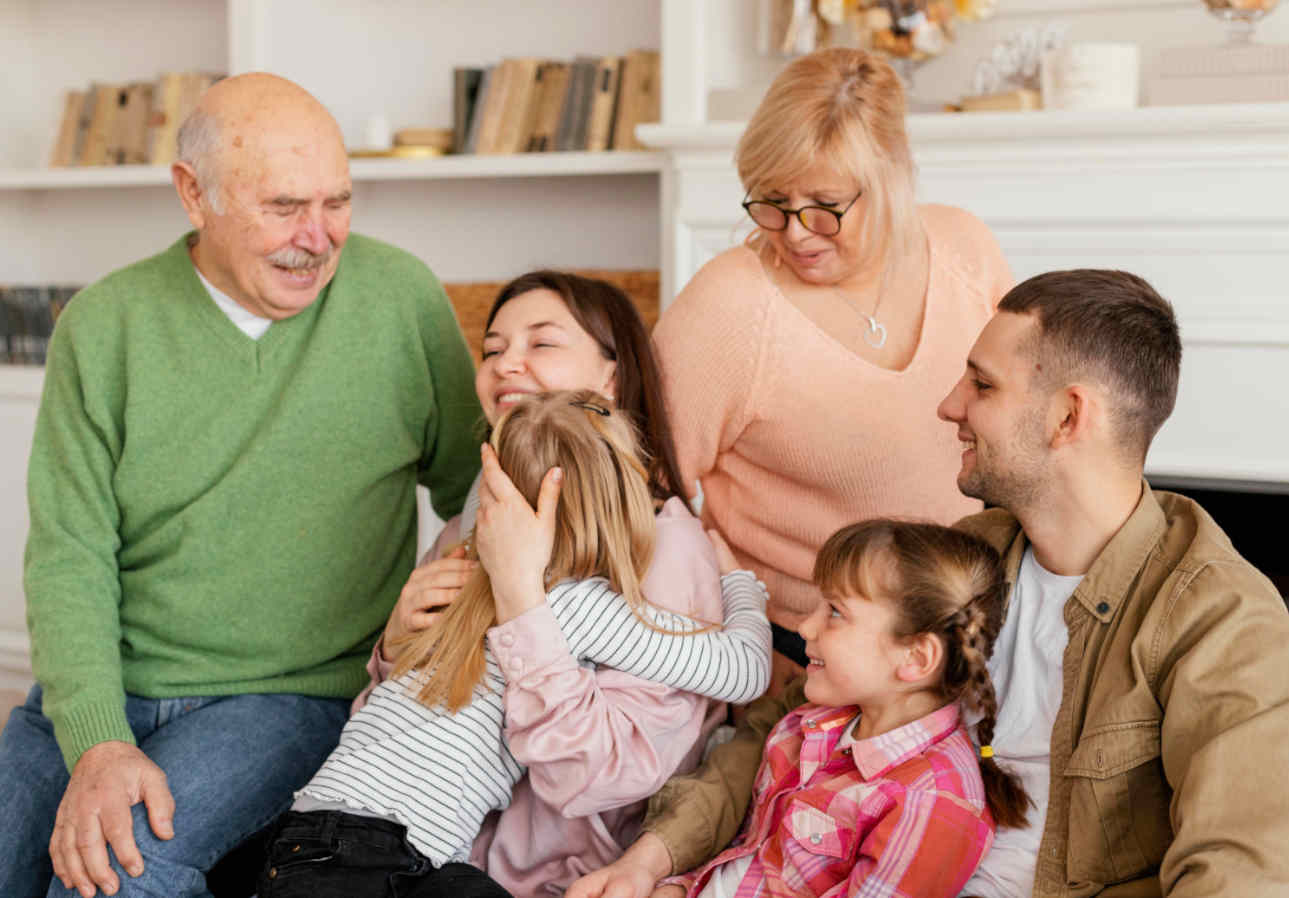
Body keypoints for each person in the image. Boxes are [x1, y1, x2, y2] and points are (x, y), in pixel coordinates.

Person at [573, 269, 1289, 898]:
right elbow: (781, 728)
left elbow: (1239, 869)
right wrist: (651, 857)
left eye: (980, 384)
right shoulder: (967, 557)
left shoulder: (1220, 619)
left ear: (1068, 415)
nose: (949, 406)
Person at [1, 73, 483, 898]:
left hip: (290, 696)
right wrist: (97, 743)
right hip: (110, 677)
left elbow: (477, 493)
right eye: (285, 206)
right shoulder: (106, 325)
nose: (319, 236)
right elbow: (69, 555)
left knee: (118, 877)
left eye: (339, 201)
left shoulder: (400, 299)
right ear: (194, 195)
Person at [259, 391, 771, 895]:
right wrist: (741, 585)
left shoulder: (463, 584)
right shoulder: (574, 606)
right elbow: (744, 670)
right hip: (382, 851)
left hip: (325, 837)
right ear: (619, 503)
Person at [359, 270, 760, 898]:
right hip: (428, 862)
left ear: (612, 376)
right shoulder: (470, 528)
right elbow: (399, 738)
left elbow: (605, 775)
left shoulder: (664, 545)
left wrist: (524, 605)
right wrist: (394, 649)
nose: (505, 364)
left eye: (541, 344)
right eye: (491, 350)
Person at [651, 47, 1013, 691]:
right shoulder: (728, 307)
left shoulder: (965, 251)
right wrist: (736, 632)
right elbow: (642, 488)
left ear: (894, 176)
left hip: (959, 640)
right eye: (771, 201)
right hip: (804, 655)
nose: (794, 232)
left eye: (824, 204)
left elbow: (1021, 424)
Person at [660, 519, 1030, 898]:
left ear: (917, 657)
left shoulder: (929, 805)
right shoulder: (812, 722)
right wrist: (677, 887)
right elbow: (748, 856)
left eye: (835, 612)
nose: (806, 627)